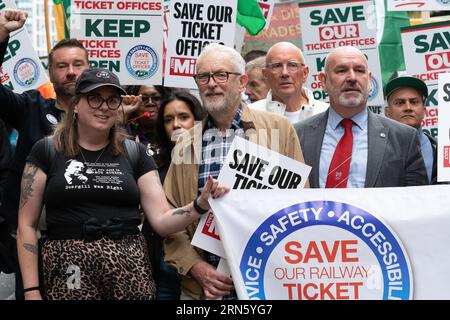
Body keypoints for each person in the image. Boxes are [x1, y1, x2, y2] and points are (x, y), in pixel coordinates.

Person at [16, 68, 228, 300]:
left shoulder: (135, 152)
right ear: (76, 104)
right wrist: (31, 290)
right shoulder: (47, 150)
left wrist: (199, 204)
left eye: (112, 99)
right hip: (70, 270)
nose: (105, 106)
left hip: (129, 269)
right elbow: (26, 225)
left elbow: (162, 221)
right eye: (95, 98)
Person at [163, 43, 307, 300]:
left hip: (266, 282)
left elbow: (299, 205)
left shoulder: (280, 129)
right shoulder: (185, 142)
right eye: (203, 77)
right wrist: (196, 267)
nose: (211, 84)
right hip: (205, 290)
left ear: (242, 82)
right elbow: (170, 216)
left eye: (221, 75)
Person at [0, 9, 90, 299]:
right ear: (50, 72)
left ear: (89, 69)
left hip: (85, 241)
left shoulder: (106, 118)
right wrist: (1, 36)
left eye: (78, 64)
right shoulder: (30, 108)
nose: (71, 72)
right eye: (62, 66)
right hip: (33, 240)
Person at [295, 46, 428, 188]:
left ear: (369, 81)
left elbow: (416, 202)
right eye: (341, 70)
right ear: (323, 81)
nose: (352, 77)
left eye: (359, 70)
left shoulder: (404, 138)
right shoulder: (297, 135)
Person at [141, 92, 206, 300]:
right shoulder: (152, 164)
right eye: (168, 119)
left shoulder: (209, 158)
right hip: (163, 264)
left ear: (197, 119)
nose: (176, 125)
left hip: (202, 261)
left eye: (183, 117)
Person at [249, 42, 328, 124]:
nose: (285, 73)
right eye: (277, 66)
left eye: (292, 65)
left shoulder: (325, 113)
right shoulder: (251, 114)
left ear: (304, 73)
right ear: (266, 74)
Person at [384, 76, 436, 184]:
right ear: (387, 112)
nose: (408, 107)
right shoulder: (375, 149)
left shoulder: (440, 150)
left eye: (414, 102)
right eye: (400, 103)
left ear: (424, 110)